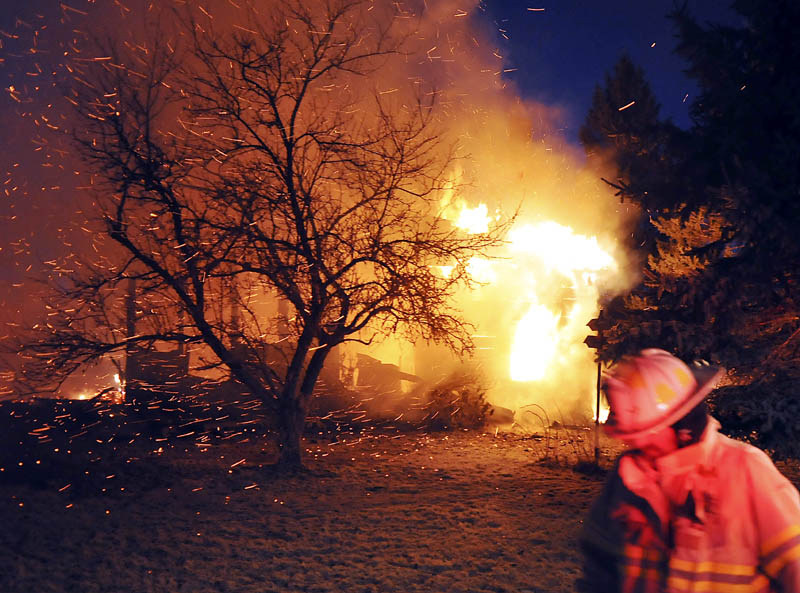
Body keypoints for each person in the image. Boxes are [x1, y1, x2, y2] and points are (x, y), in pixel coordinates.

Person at [577, 348, 800, 593]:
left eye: (643, 436)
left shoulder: (744, 469)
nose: (632, 445)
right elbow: (599, 568)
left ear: (680, 425)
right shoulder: (627, 475)